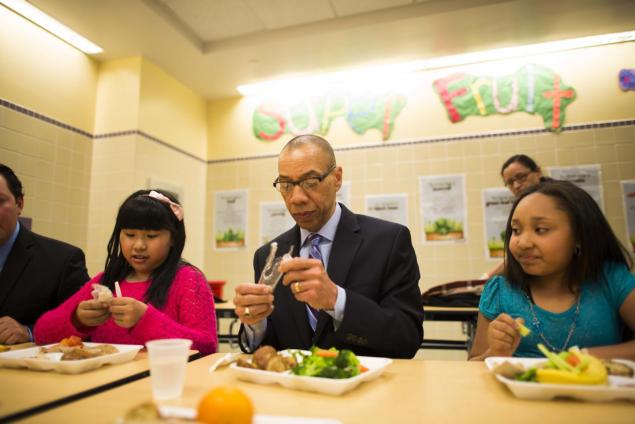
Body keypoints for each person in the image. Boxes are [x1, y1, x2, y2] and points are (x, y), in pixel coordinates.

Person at [233, 135, 424, 358]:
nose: (296, 198)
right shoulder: (267, 255)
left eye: (310, 182)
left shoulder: (388, 241)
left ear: (337, 178)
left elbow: (407, 338)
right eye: (285, 185)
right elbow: (269, 350)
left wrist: (337, 300)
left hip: (365, 388)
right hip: (290, 390)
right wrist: (255, 323)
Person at [34, 190, 218, 355]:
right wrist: (77, 320)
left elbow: (207, 346)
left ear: (173, 239)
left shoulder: (188, 279)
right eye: (130, 235)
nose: (138, 245)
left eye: (151, 236)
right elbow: (41, 333)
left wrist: (145, 320)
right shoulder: (106, 281)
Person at [469, 181, 635, 360]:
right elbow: (472, 366)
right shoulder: (499, 291)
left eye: (540, 230)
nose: (523, 243)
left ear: (579, 236)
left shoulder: (611, 279)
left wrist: (581, 358)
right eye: (516, 230)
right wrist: (494, 354)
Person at [0, 164, 89, 345]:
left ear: (19, 203)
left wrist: (29, 333)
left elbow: (88, 328)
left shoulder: (63, 261)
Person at [483, 154, 551, 279]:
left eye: (521, 177)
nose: (516, 185)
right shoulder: (525, 204)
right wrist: (486, 278)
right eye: (510, 182)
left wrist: (488, 277)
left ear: (538, 172)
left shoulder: (556, 199)